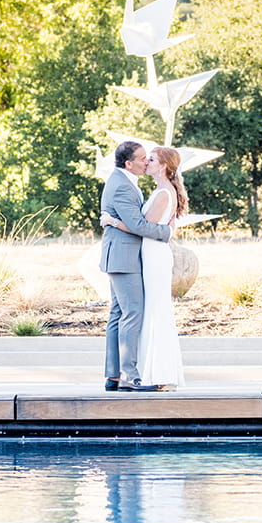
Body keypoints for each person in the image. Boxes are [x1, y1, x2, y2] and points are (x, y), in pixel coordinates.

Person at [102, 146, 187, 391]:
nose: (146, 162)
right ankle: (125, 375)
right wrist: (166, 231)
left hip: (147, 257)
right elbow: (140, 225)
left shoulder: (158, 191)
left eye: (150, 159)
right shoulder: (124, 184)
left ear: (162, 166)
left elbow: (140, 225)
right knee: (130, 313)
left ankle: (125, 375)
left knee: (134, 313)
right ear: (129, 164)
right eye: (143, 159)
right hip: (129, 258)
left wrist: (114, 221)